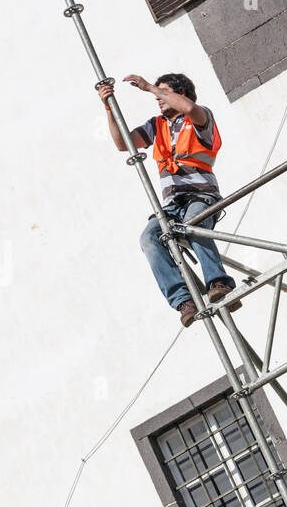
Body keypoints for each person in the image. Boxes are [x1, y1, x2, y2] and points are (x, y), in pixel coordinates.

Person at [97, 73, 239, 328]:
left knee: (193, 224)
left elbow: (189, 107)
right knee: (148, 239)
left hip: (200, 196)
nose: (157, 98)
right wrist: (108, 106)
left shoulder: (199, 117)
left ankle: (218, 283)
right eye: (157, 93)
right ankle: (183, 300)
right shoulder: (157, 125)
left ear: (180, 93)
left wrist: (150, 87)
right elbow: (123, 143)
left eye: (163, 92)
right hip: (172, 205)